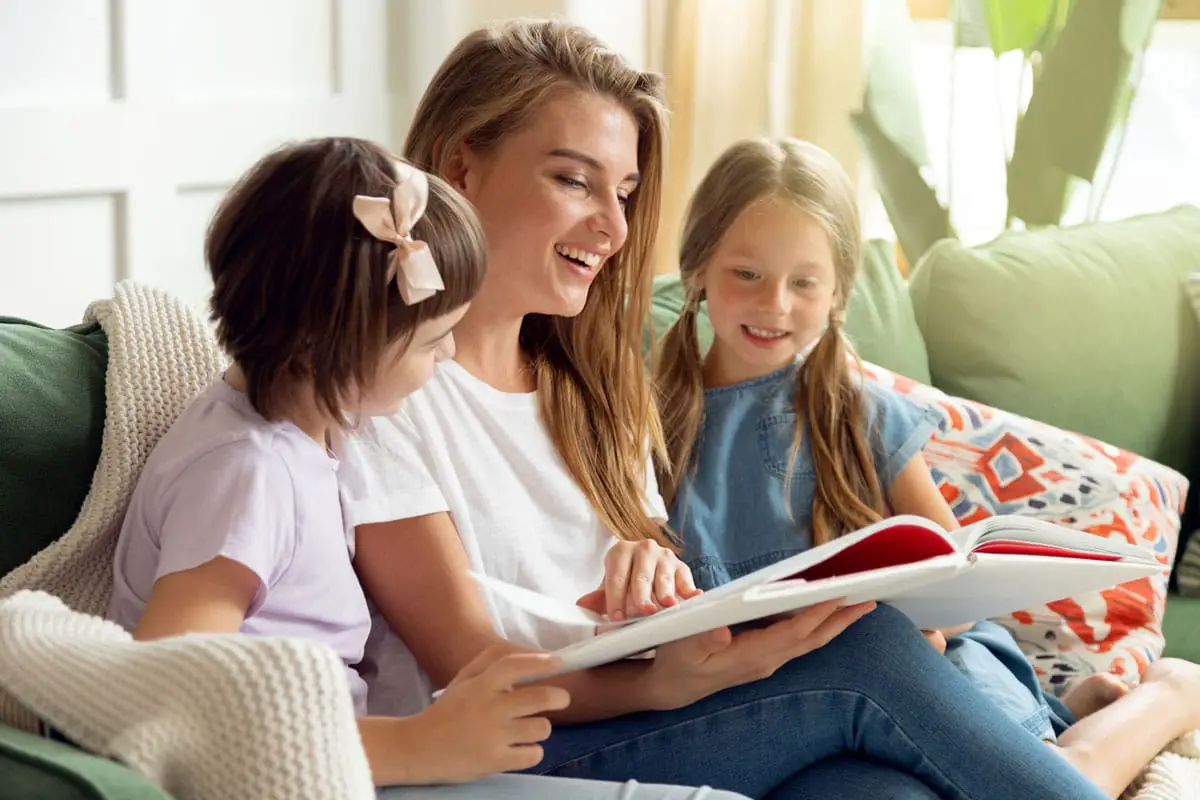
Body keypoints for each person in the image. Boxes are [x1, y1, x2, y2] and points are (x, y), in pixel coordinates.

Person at [337, 19, 1123, 800]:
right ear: (458, 168)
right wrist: (662, 685)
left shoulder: (591, 389)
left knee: (883, 792)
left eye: (624, 192)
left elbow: (633, 606)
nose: (612, 227)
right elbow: (477, 673)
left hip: (643, 715)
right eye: (574, 181)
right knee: (871, 653)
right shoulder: (382, 393)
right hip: (511, 756)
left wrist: (655, 578)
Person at [105, 136, 741, 800]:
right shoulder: (246, 472)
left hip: (353, 762)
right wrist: (421, 742)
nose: (443, 361)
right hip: (325, 776)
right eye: (434, 340)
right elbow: (168, 693)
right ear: (343, 337)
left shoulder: (299, 441)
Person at [654, 135, 1200, 799]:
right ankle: (1077, 710)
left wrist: (928, 625)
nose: (775, 304)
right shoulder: (649, 425)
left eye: (804, 283)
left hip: (929, 675)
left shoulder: (858, 413)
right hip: (791, 715)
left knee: (1059, 780)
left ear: (837, 292)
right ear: (698, 267)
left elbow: (952, 581)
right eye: (747, 275)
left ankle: (1169, 693)